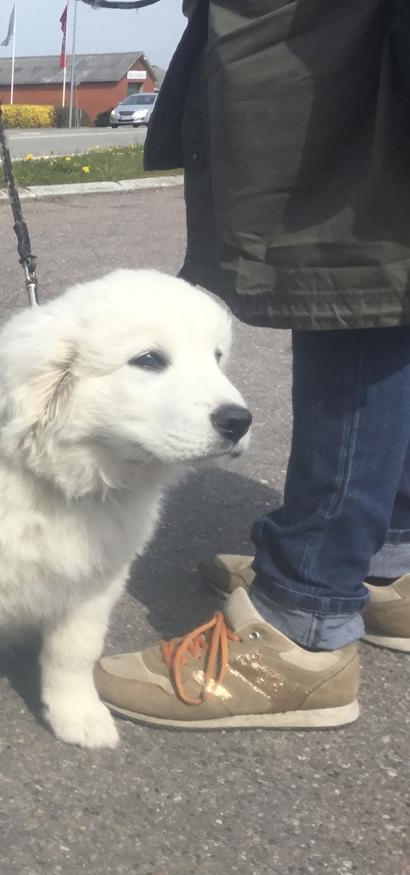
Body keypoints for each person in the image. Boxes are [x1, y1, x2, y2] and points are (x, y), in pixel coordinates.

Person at [94, 0, 410, 728]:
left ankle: (303, 626)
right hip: (335, 39)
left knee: (354, 279)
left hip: (336, 40)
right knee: (388, 270)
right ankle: (382, 561)